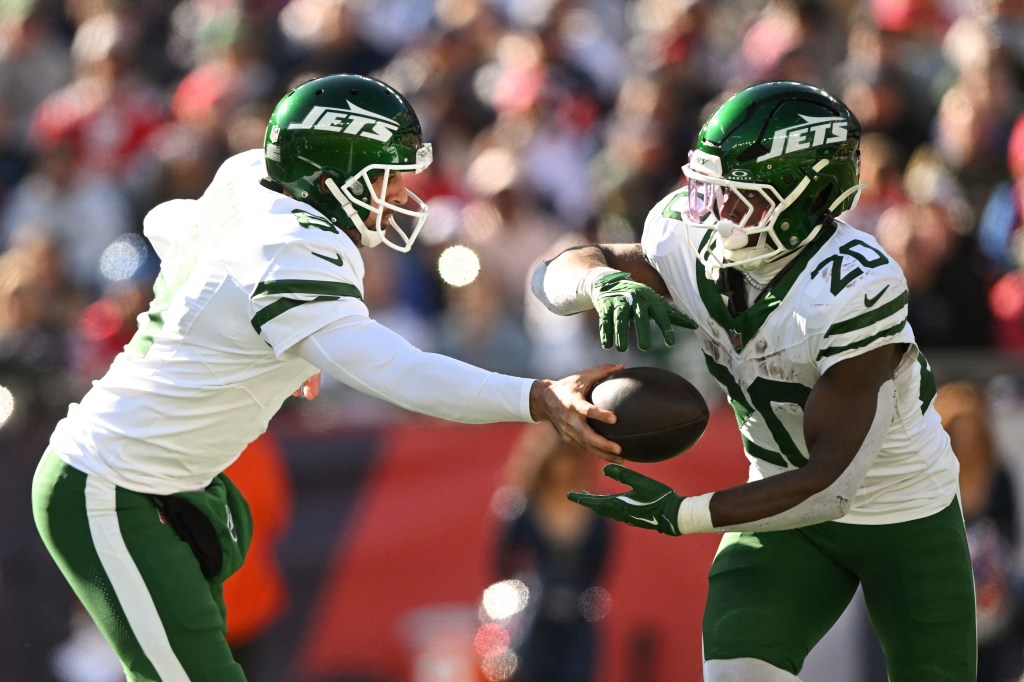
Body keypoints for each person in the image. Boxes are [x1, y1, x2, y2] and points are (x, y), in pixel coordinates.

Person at [31, 73, 625, 682]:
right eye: (384, 179)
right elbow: (400, 372)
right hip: (112, 483)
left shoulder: (247, 178)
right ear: (329, 175)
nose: (395, 197)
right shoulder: (293, 247)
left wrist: (272, 337)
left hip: (174, 483)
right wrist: (533, 395)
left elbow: (169, 222)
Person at [531, 80, 977, 681]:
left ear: (808, 200)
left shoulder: (854, 285)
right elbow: (554, 275)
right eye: (710, 192)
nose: (715, 218)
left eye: (742, 201)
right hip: (780, 507)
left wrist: (687, 513)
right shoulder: (686, 236)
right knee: (737, 673)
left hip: (902, 511)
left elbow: (831, 483)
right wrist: (599, 284)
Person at [490, 422, 612, 682]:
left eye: (569, 458)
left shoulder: (595, 510)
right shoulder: (521, 506)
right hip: (531, 613)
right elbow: (500, 562)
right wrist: (517, 597)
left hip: (578, 615)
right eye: (557, 459)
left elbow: (599, 567)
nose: (562, 467)